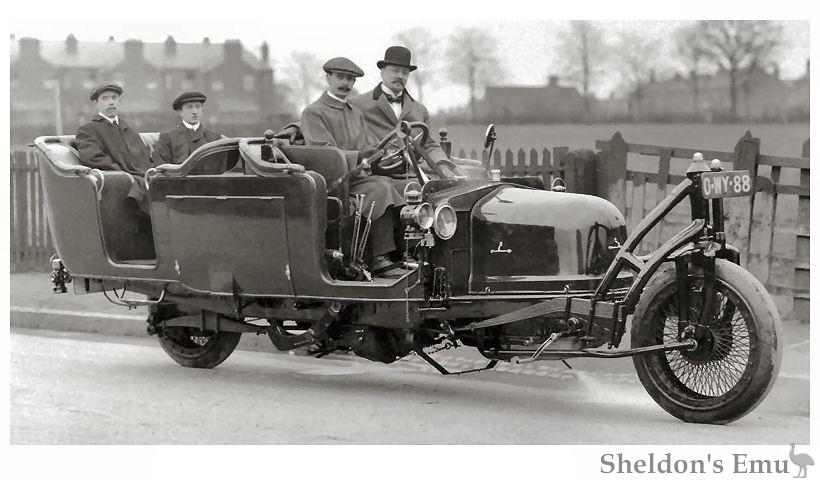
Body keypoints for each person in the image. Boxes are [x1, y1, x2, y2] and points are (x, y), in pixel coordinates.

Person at [300, 57, 404, 273]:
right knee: (381, 189)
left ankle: (404, 254)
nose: (346, 83)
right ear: (328, 77)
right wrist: (359, 156)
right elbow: (324, 154)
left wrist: (385, 154)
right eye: (340, 77)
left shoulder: (355, 112)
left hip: (357, 177)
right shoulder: (314, 112)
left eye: (350, 79)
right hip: (333, 183)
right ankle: (380, 258)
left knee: (402, 186)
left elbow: (368, 145)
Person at [349, 46, 450, 165]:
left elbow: (429, 145)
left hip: (415, 174)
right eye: (395, 70)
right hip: (377, 174)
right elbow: (352, 143)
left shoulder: (420, 110)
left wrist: (443, 165)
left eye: (405, 73)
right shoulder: (357, 105)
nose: (400, 76)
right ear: (382, 72)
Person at [75, 81, 151, 213]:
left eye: (114, 98)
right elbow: (92, 157)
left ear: (119, 101)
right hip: (119, 183)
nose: (111, 102)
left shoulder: (127, 129)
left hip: (141, 178)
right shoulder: (89, 130)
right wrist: (120, 171)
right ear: (96, 104)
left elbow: (143, 157)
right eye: (105, 98)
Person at [153, 91, 223, 166]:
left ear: (202, 109)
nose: (195, 111)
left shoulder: (215, 138)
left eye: (198, 107)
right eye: (189, 107)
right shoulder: (167, 139)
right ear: (180, 112)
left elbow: (220, 169)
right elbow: (161, 170)